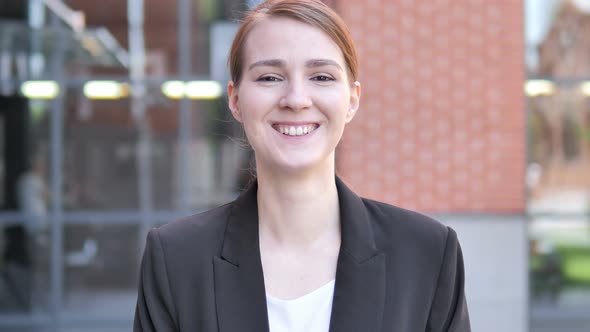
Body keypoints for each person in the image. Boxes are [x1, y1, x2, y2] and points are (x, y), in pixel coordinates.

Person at [134, 0, 470, 331]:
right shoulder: (176, 258)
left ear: (352, 100)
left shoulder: (427, 254)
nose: (296, 99)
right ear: (235, 100)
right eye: (269, 77)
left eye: (321, 77)